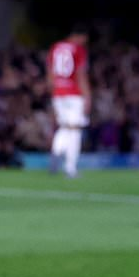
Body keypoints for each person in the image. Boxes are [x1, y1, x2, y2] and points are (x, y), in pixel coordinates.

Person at [47, 24, 91, 178]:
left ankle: (57, 150)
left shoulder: (55, 48)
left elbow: (50, 73)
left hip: (58, 92)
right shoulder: (78, 50)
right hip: (74, 93)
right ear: (80, 36)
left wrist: (54, 93)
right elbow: (80, 74)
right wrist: (87, 96)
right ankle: (70, 168)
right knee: (75, 129)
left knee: (65, 126)